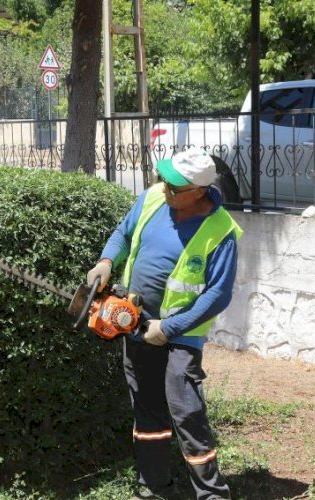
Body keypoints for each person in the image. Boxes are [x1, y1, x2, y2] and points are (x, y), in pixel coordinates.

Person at [86, 147, 242, 500]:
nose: (165, 190)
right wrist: (107, 262)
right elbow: (124, 234)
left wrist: (168, 328)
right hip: (136, 322)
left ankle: (212, 495)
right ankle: (154, 488)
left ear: (198, 191)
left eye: (174, 188)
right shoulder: (154, 198)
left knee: (186, 412)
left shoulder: (221, 232)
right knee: (147, 410)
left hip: (182, 334)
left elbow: (217, 296)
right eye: (164, 183)